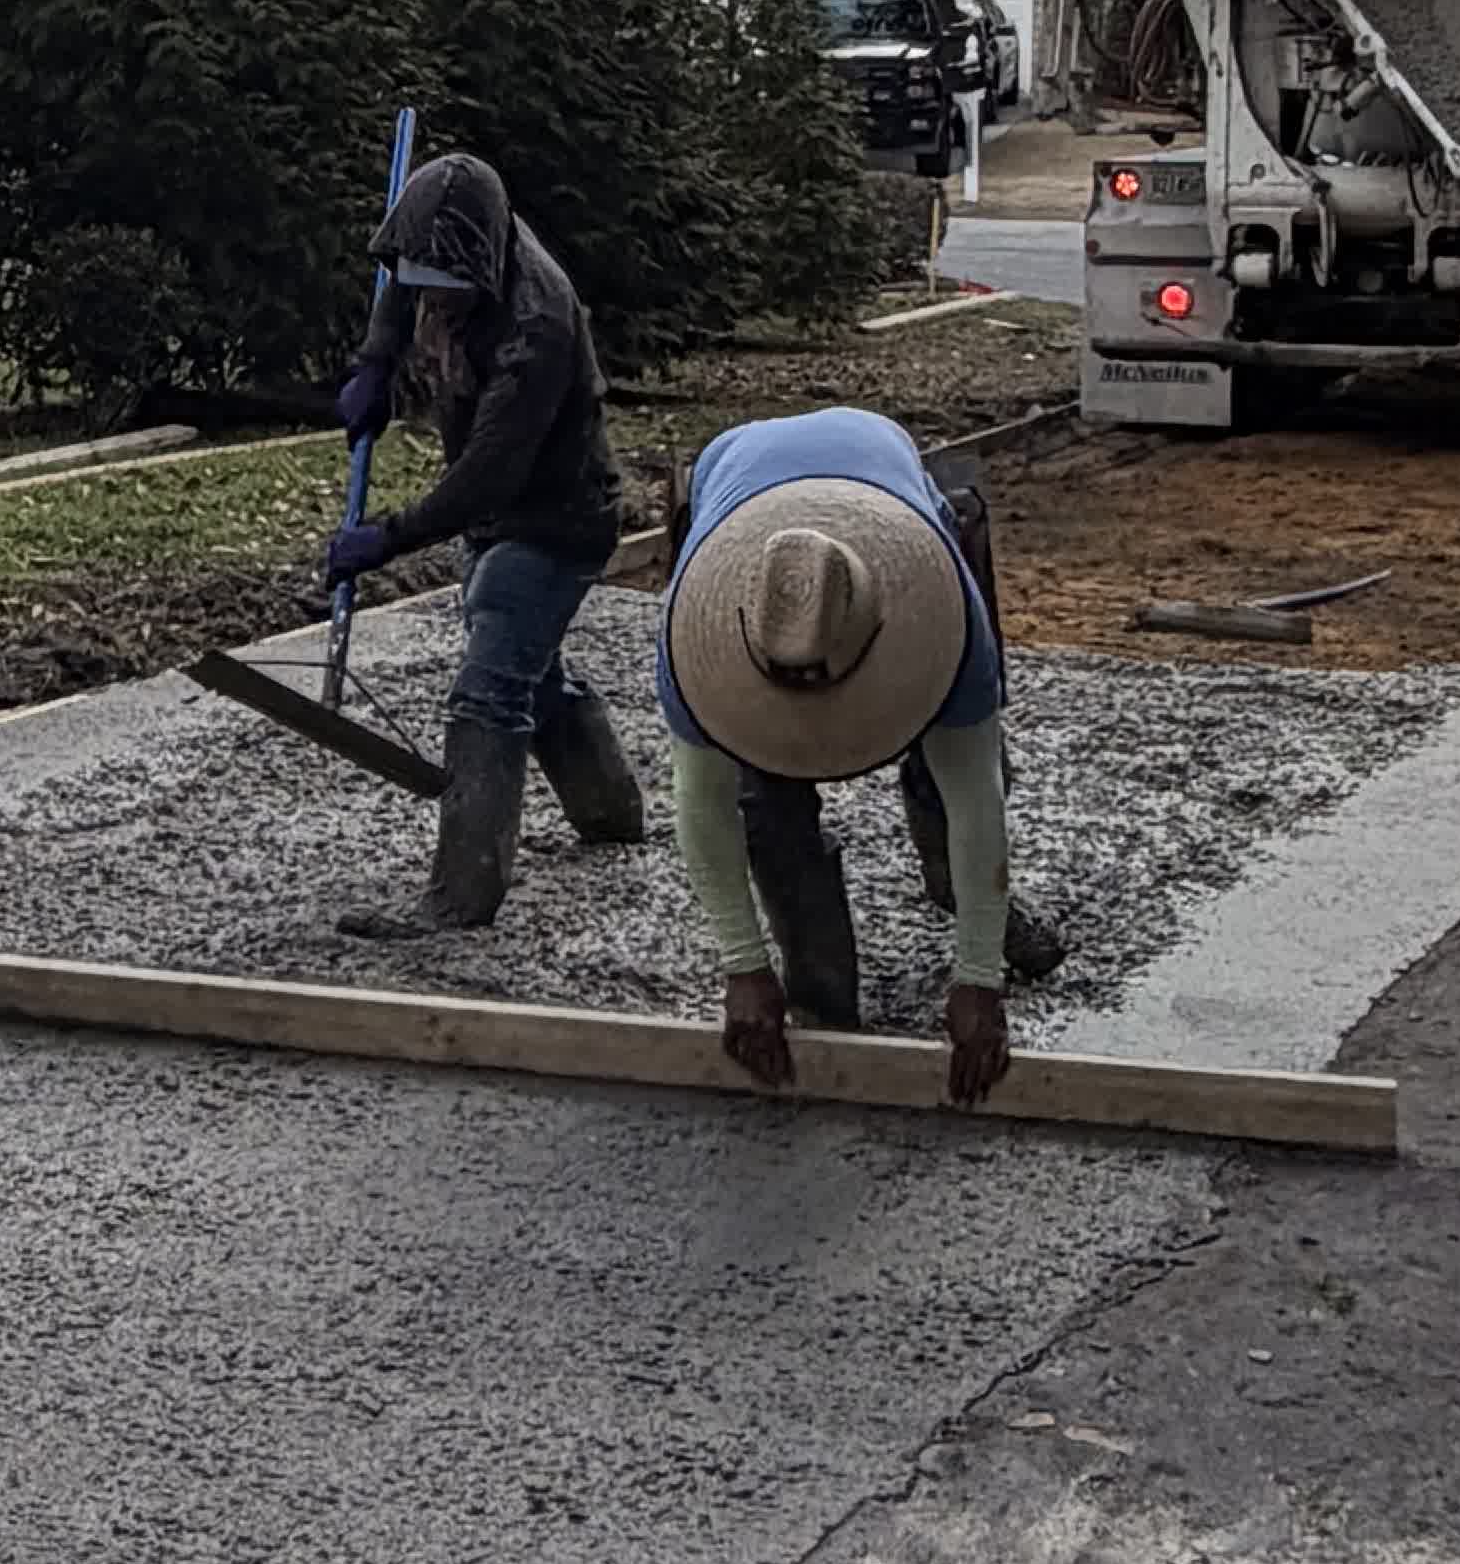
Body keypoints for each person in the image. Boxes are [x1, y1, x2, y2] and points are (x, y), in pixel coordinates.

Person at [322, 149, 642, 930]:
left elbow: (484, 479)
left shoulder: (538, 324)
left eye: (444, 292)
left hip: (559, 517)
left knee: (489, 687)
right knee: (529, 674)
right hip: (504, 509)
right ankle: (611, 814)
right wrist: (374, 363)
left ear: (481, 271)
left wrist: (385, 537)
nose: (429, 298)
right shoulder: (447, 241)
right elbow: (399, 287)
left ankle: (460, 897)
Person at [659, 409, 1018, 1104]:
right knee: (766, 805)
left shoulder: (950, 623)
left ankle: (972, 902)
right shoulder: (693, 644)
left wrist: (979, 976)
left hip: (879, 458)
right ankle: (821, 993)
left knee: (950, 772)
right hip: (734, 473)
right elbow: (702, 804)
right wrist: (744, 966)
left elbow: (977, 797)